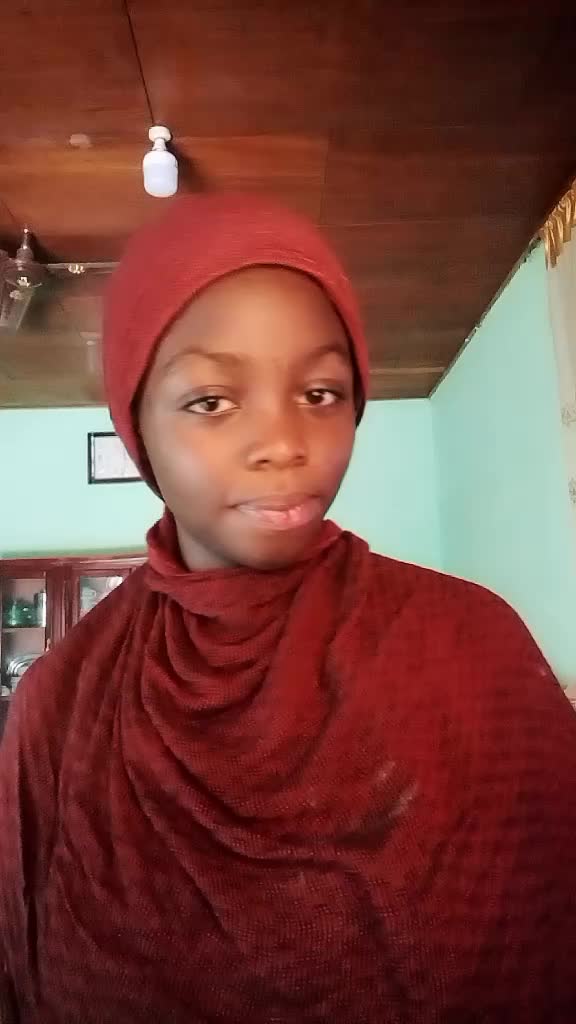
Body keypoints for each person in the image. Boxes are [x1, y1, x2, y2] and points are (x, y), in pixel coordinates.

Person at [0, 193, 575, 1024]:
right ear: (137, 426)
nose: (283, 444)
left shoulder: (472, 647)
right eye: (211, 401)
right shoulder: (61, 706)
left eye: (320, 393)